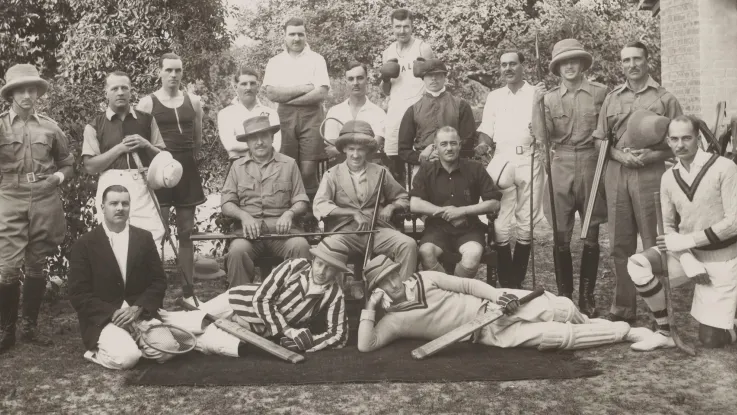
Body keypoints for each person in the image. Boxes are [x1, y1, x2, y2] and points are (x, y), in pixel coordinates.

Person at [357, 255, 653, 352]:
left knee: (560, 308)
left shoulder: (425, 278)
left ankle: (597, 325)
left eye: (393, 275)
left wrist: (496, 295)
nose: (393, 284)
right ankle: (624, 332)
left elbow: (467, 284)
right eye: (384, 283)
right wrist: (370, 307)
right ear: (377, 290)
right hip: (485, 333)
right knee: (556, 336)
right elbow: (365, 345)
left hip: (494, 306)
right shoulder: (393, 321)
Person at [627, 116, 737, 351]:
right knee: (637, 264)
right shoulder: (669, 177)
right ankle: (664, 331)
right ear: (667, 141)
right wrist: (686, 257)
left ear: (697, 138)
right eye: (674, 139)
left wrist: (687, 240)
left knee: (710, 341)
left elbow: (734, 223)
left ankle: (732, 324)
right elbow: (666, 227)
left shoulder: (724, 167)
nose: (680, 144)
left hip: (722, 257)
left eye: (686, 138)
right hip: (687, 254)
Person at [593, 41, 683, 323]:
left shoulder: (665, 98)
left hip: (650, 174)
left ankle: (660, 310)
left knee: (653, 241)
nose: (631, 65)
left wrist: (652, 154)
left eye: (637, 59)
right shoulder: (612, 98)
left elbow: (681, 144)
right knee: (619, 242)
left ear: (647, 61)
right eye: (626, 60)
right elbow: (599, 140)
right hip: (617, 173)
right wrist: (618, 155)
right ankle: (623, 308)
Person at [161, 239, 353, 357]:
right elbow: (262, 299)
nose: (322, 271)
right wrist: (287, 331)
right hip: (237, 303)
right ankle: (155, 322)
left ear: (337, 272)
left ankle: (175, 340)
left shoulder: (334, 294)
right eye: (319, 264)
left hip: (258, 330)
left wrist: (307, 342)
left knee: (228, 348)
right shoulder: (295, 266)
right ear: (313, 260)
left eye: (330, 268)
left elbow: (339, 335)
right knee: (193, 323)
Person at [0, 64, 75, 352]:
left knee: (36, 264)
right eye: (22, 89)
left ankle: (29, 327)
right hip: (10, 194)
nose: (29, 94)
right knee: (7, 268)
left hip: (44, 194)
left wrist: (56, 178)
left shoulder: (50, 126)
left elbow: (68, 163)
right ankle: (7, 331)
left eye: (33, 89)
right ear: (12, 94)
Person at [530, 39, 608, 316]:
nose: (570, 66)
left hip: (590, 163)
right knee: (560, 235)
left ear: (583, 64)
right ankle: (565, 296)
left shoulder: (601, 93)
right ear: (558, 67)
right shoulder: (549, 98)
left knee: (590, 233)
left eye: (574, 60)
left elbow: (608, 131)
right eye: (564, 62)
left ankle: (587, 296)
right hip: (560, 163)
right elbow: (542, 135)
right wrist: (535, 103)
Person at [68, 185, 176, 370]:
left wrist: (138, 308)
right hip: (104, 319)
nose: (120, 208)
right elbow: (78, 293)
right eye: (113, 203)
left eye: (125, 203)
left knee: (169, 350)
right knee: (126, 359)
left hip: (139, 313)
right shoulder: (84, 244)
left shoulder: (144, 238)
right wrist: (113, 314)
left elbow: (158, 281)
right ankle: (102, 351)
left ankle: (134, 342)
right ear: (102, 207)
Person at [136, 53, 206, 301]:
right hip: (159, 167)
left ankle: (188, 291)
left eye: (178, 70)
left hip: (185, 167)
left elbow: (197, 141)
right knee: (159, 231)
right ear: (160, 72)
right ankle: (157, 291)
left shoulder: (194, 101)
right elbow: (141, 141)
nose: (173, 75)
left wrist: (182, 162)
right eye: (168, 70)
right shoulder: (147, 103)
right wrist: (159, 165)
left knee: (186, 231)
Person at [314, 120, 417, 281]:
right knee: (329, 248)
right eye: (351, 149)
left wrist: (391, 206)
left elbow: (403, 197)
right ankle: (334, 299)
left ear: (367, 151)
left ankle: (402, 299)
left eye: (360, 149)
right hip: (345, 232)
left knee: (408, 244)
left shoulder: (381, 172)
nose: (355, 155)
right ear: (344, 150)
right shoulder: (332, 174)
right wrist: (351, 212)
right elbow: (320, 204)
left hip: (377, 230)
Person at [478, 51, 546, 289]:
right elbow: (486, 129)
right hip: (502, 158)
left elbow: (544, 129)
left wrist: (540, 101)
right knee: (499, 223)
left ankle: (516, 282)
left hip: (529, 157)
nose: (507, 68)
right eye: (503, 64)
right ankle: (506, 279)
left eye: (512, 64)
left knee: (526, 223)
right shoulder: (495, 96)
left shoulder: (536, 92)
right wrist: (481, 145)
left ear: (522, 66)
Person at [220, 116, 311, 287]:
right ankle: (240, 305)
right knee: (237, 252)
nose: (259, 142)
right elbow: (226, 203)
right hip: (248, 236)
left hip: (282, 233)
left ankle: (296, 302)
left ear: (272, 138)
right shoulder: (237, 167)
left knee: (300, 246)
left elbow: (301, 201)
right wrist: (243, 216)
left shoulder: (289, 164)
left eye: (264, 137)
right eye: (254, 138)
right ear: (247, 142)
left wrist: (289, 213)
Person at [82, 71, 167, 247]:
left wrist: (146, 144)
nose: (120, 92)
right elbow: (90, 166)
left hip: (142, 183)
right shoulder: (95, 125)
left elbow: (164, 160)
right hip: (110, 183)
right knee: (113, 241)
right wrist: (120, 149)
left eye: (124, 88)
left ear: (130, 91)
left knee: (151, 237)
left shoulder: (147, 120)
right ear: (106, 92)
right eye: (114, 88)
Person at [409, 126, 501, 280]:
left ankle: (455, 291)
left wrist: (462, 211)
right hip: (436, 229)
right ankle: (451, 290)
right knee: (426, 252)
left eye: (453, 143)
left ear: (460, 145)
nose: (449, 148)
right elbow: (415, 204)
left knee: (472, 258)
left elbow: (494, 203)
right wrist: (446, 212)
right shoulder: (427, 170)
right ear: (436, 147)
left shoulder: (475, 168)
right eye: (443, 144)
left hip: (469, 228)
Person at [263, 17, 330, 201]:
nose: (296, 38)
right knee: (287, 168)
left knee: (308, 171)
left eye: (301, 34)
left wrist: (288, 98)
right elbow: (272, 93)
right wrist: (304, 88)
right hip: (284, 118)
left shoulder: (317, 59)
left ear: (306, 35)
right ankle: (291, 216)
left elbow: (321, 93)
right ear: (284, 37)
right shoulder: (275, 62)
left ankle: (311, 216)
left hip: (312, 117)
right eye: (292, 34)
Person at [381, 8, 434, 185]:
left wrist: (423, 72)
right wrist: (386, 77)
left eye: (406, 26)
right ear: (392, 27)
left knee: (421, 157)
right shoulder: (388, 51)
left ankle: (419, 200)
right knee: (394, 158)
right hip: (396, 110)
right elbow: (386, 90)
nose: (402, 31)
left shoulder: (423, 48)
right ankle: (400, 203)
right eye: (398, 27)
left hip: (419, 109)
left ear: (412, 27)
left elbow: (433, 80)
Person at [397, 59, 477, 171]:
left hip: (455, 166)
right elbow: (403, 149)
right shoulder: (413, 110)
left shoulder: (461, 106)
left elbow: (468, 141)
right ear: (423, 78)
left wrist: (446, 154)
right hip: (424, 167)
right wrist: (421, 156)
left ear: (444, 77)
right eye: (429, 75)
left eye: (438, 75)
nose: (433, 78)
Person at [324, 61, 386, 164]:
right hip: (340, 170)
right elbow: (331, 148)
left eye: (360, 78)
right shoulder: (334, 111)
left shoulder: (378, 113)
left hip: (369, 168)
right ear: (346, 82)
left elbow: (374, 146)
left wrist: (340, 149)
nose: (355, 83)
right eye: (351, 79)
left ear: (367, 80)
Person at [217, 66, 281, 160]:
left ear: (258, 86)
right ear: (235, 87)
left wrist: (241, 147)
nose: (248, 87)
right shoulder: (225, 114)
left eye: (252, 83)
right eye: (244, 84)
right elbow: (230, 145)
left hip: (267, 164)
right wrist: (263, 145)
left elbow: (276, 146)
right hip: (239, 165)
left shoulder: (271, 113)